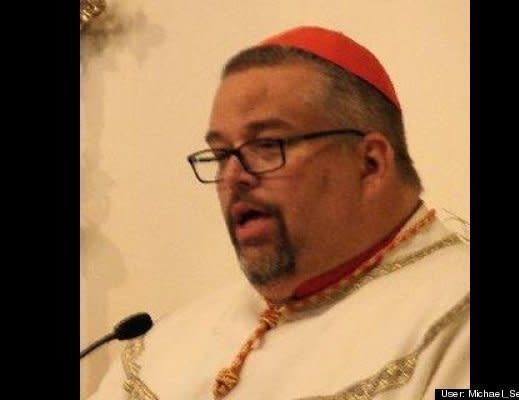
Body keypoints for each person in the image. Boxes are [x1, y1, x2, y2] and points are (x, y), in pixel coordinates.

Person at [88, 26, 469, 400]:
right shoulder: (163, 347)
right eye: (221, 155)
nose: (233, 176)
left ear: (369, 163)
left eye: (267, 145)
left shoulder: (454, 316)